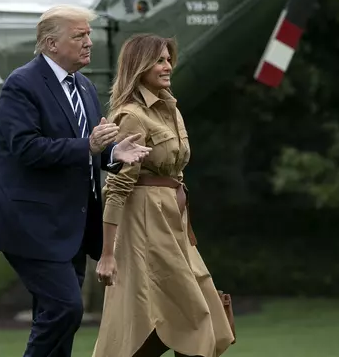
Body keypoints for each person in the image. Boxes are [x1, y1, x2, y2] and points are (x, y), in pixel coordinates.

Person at [0, 5, 151, 357]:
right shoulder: (21, 84)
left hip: (71, 224)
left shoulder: (83, 86)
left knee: (57, 319)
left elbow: (87, 150)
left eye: (88, 34)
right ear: (51, 44)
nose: (89, 42)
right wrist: (89, 146)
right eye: (79, 36)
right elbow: (25, 148)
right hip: (29, 222)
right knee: (65, 309)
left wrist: (113, 154)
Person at [91, 33, 235, 357]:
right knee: (191, 314)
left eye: (168, 58)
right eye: (159, 60)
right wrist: (108, 253)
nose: (167, 65)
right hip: (145, 223)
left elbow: (175, 172)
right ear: (139, 66)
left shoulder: (171, 109)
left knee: (193, 312)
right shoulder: (130, 115)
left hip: (174, 220)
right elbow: (116, 187)